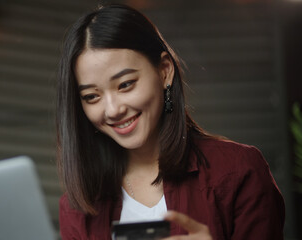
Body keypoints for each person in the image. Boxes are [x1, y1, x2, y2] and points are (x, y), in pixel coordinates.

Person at [55, 3, 285, 240]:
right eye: (92, 97)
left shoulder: (239, 172)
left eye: (125, 84)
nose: (113, 110)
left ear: (164, 71)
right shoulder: (77, 207)